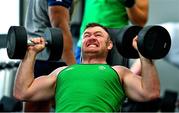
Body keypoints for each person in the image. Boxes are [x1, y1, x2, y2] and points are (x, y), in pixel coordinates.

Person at [13, 23, 160, 112]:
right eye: (86, 35)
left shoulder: (118, 71)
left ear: (109, 45)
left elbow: (150, 92)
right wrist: (30, 54)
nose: (91, 37)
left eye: (98, 35)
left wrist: (144, 51)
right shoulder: (61, 72)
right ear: (81, 43)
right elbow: (23, 93)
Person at [24, 0, 76, 111]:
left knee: (38, 106)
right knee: (71, 105)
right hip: (51, 57)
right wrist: (77, 73)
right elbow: (60, 30)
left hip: (37, 56)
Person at [75, 0, 149, 64]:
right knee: (83, 77)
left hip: (116, 41)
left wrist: (129, 3)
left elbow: (141, 21)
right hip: (85, 38)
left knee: (115, 78)